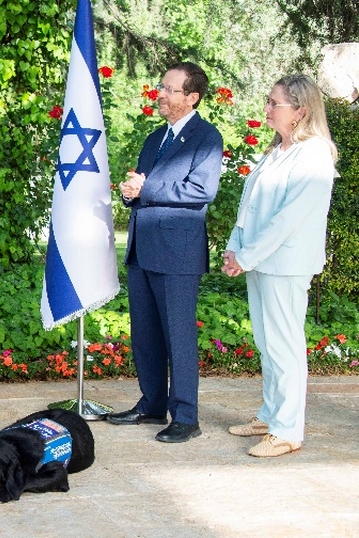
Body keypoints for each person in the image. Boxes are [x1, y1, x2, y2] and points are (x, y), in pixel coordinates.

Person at [107, 62, 223, 443]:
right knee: (145, 334)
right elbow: (144, 187)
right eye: (161, 86)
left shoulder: (207, 138)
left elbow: (201, 191)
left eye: (171, 89)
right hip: (143, 249)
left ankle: (186, 417)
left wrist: (146, 188)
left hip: (178, 254)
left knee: (178, 336)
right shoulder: (154, 137)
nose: (161, 93)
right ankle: (152, 404)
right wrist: (130, 193)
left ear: (192, 97)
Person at [222, 74, 336, 457]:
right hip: (260, 260)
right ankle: (270, 415)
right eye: (268, 101)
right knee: (267, 343)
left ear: (300, 111)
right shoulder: (276, 151)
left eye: (275, 103)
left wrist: (247, 255)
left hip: (285, 262)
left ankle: (287, 430)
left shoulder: (315, 154)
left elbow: (288, 218)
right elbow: (249, 206)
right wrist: (235, 247)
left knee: (285, 345)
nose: (267, 109)